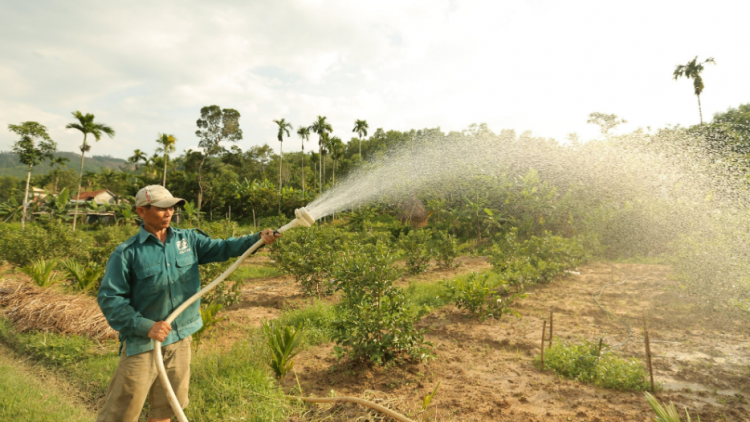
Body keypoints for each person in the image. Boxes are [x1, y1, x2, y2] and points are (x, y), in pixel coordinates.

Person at [96, 185, 280, 422]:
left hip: (180, 340)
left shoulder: (189, 240)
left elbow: (224, 247)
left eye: (171, 207)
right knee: (121, 413)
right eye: (161, 208)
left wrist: (256, 240)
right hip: (143, 343)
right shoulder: (127, 253)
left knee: (167, 409)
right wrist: (145, 326)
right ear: (141, 211)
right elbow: (110, 299)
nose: (169, 212)